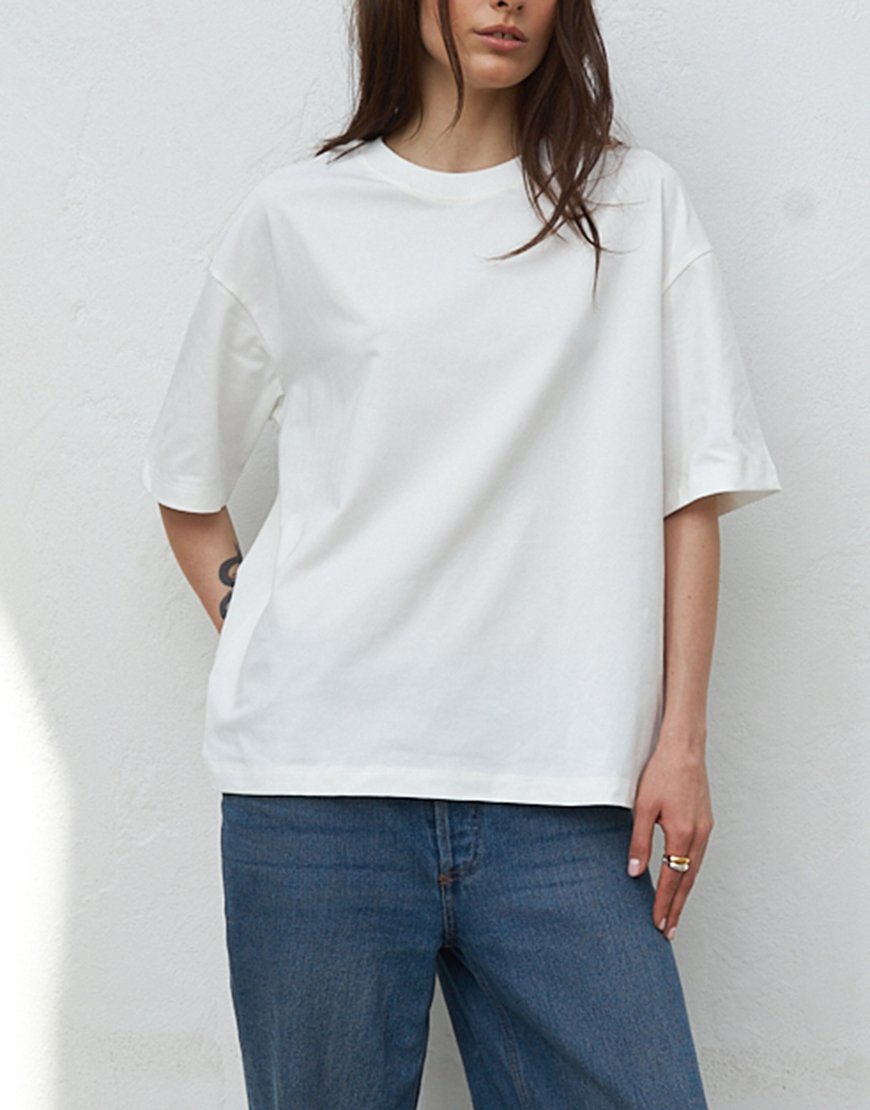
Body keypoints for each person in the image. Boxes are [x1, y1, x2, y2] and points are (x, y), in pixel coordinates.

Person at [143, 0, 779, 1106]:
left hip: (566, 798)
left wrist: (682, 743)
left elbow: (693, 488)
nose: (510, 2)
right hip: (319, 796)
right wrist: (263, 625)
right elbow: (186, 481)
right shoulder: (298, 216)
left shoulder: (636, 205)